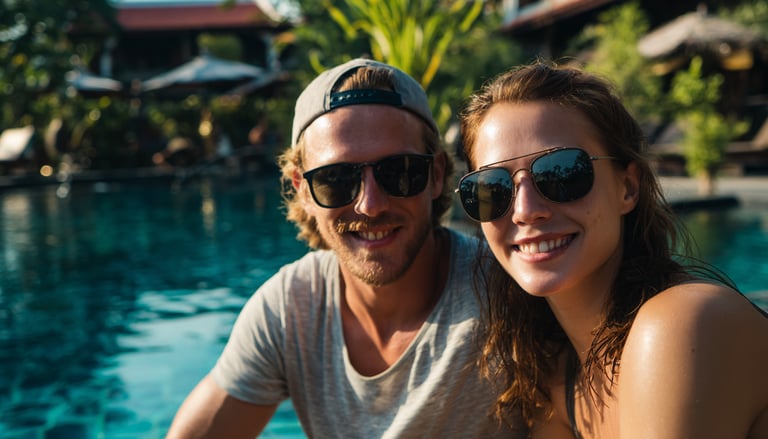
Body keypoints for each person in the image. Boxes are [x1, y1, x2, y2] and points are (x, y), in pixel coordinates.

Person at [166, 58, 524, 438]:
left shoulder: (504, 295)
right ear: (302, 190)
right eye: (336, 179)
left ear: (435, 176)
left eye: (399, 171)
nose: (370, 204)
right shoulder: (291, 309)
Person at [455, 60, 768, 438]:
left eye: (562, 172)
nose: (525, 210)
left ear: (628, 187)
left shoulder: (679, 326)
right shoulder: (562, 374)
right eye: (491, 189)